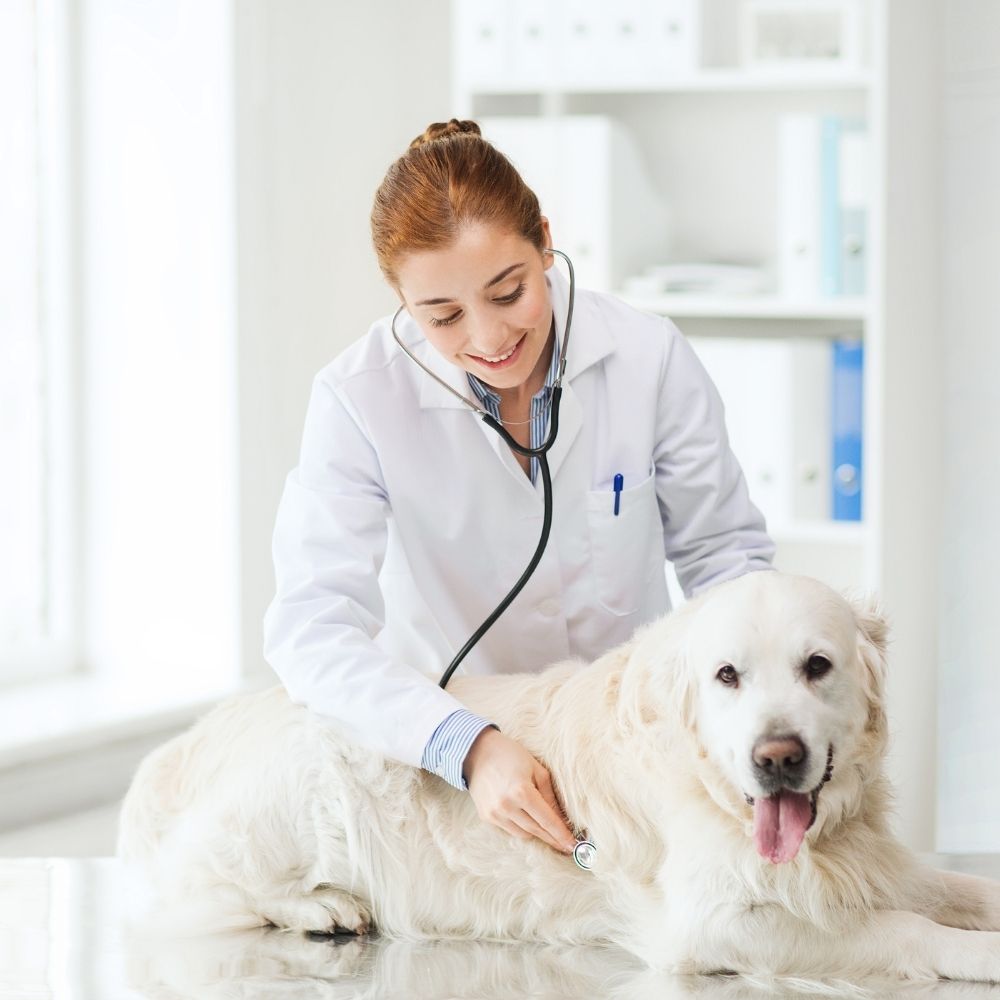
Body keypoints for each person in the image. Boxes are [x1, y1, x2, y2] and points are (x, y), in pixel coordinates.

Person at [263, 118, 775, 860]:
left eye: (510, 291)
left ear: (543, 239)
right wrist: (462, 744)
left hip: (631, 745)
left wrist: (754, 715)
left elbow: (727, 562)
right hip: (450, 765)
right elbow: (311, 628)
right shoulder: (356, 398)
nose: (489, 336)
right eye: (441, 316)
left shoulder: (647, 356)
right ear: (402, 301)